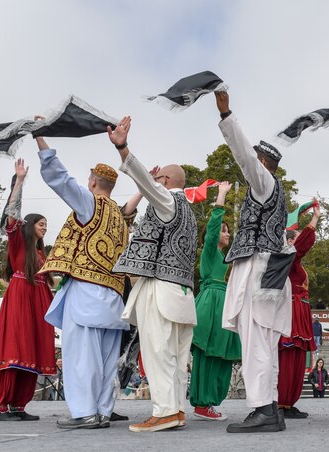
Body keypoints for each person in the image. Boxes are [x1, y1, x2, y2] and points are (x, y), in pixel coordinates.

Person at [108, 117, 200, 433]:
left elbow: (147, 185)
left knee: (159, 353)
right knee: (175, 357)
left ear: (164, 179)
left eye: (157, 177)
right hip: (184, 294)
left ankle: (163, 412)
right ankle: (175, 411)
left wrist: (122, 147)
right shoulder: (189, 210)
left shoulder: (168, 201)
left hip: (162, 290)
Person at [36, 132, 130, 429]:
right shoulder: (119, 215)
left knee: (81, 357)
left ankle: (83, 412)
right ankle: (101, 411)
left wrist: (40, 139)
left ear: (92, 183)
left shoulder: (91, 204)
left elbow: (61, 179)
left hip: (87, 294)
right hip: (114, 299)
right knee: (106, 360)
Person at [213, 92, 292, 434]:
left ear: (263, 164)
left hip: (259, 267)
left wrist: (227, 115)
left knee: (255, 339)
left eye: (255, 161)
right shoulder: (277, 192)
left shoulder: (264, 184)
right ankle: (270, 406)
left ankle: (262, 409)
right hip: (271, 268)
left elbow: (244, 156)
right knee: (264, 340)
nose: (250, 165)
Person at [0, 159, 56, 421]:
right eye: (41, 223)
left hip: (38, 300)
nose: (45, 226)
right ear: (29, 226)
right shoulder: (18, 243)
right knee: (16, 346)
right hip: (20, 297)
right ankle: (1, 407)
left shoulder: (40, 253)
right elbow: (12, 214)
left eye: (46, 224)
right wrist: (20, 181)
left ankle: (19, 405)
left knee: (32, 351)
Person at [189, 181, 240, 422]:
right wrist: (221, 195)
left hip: (225, 304)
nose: (226, 233)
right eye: (224, 230)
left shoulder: (226, 258)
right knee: (208, 355)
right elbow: (212, 229)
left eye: (228, 230)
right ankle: (202, 403)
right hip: (211, 305)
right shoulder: (210, 252)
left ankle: (208, 403)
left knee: (222, 356)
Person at [278, 203, 321, 419]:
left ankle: (288, 403)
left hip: (300, 313)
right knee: (287, 360)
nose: (296, 243)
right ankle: (281, 402)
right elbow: (302, 246)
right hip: (291, 313)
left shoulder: (297, 263)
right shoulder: (288, 258)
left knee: (297, 361)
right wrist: (314, 220)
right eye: (293, 239)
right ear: (288, 242)